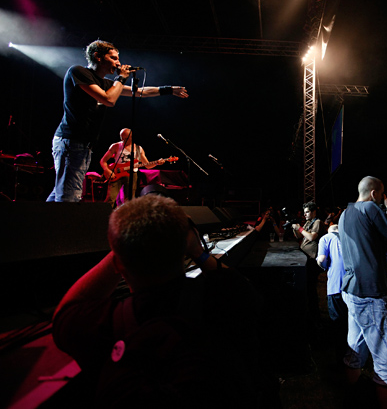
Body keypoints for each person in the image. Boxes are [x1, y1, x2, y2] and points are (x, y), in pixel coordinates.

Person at [51, 194, 272, 407]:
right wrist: (197, 251)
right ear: (183, 248)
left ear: (119, 265)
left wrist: (126, 244)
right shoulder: (228, 295)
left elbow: (66, 311)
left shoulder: (106, 322)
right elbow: (233, 280)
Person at [46, 39, 188, 202]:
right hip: (71, 140)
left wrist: (168, 90)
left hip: (84, 144)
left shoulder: (106, 83)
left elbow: (140, 91)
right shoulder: (78, 72)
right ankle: (60, 226)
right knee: (69, 193)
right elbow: (109, 100)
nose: (118, 62)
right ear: (97, 56)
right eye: (113, 58)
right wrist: (121, 78)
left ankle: (44, 223)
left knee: (62, 190)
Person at [338, 176, 387, 409]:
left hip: (352, 290)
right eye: (382, 194)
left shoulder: (345, 212)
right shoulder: (370, 207)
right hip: (371, 294)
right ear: (375, 193)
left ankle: (351, 398)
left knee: (355, 349)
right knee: (386, 361)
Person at [100, 128, 165, 208]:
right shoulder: (116, 146)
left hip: (132, 175)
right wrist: (107, 170)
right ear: (121, 137)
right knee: (110, 198)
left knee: (129, 199)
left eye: (127, 138)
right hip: (116, 174)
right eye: (123, 138)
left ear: (131, 136)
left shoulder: (138, 149)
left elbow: (147, 165)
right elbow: (103, 161)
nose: (125, 140)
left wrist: (157, 163)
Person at [316, 224, 348, 367]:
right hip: (353, 287)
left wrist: (324, 266)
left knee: (338, 324)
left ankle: (341, 359)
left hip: (336, 286)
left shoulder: (325, 238)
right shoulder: (349, 238)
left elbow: (322, 259)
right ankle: (356, 358)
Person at [292, 201, 324, 330]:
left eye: (307, 212)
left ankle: (315, 314)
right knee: (308, 287)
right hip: (306, 259)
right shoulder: (307, 222)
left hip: (312, 260)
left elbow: (311, 237)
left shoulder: (318, 222)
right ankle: (311, 311)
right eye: (304, 212)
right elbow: (300, 235)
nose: (305, 214)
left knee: (311, 288)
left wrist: (299, 228)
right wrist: (295, 229)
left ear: (313, 211)